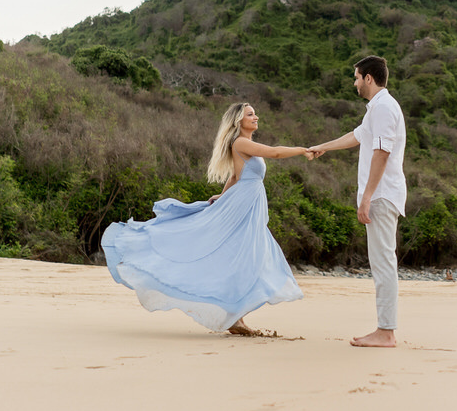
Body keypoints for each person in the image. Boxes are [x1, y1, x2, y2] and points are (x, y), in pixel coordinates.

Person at [101, 103, 309, 335]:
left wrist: (222, 195)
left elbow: (235, 176)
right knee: (241, 255)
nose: (256, 117)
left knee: (246, 257)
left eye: (254, 114)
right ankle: (235, 318)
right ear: (238, 121)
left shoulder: (243, 144)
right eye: (250, 114)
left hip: (247, 203)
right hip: (242, 205)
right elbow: (275, 152)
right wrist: (303, 150)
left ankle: (236, 317)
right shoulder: (241, 142)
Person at [311, 55, 406, 348]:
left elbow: (382, 153)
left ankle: (386, 332)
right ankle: (385, 330)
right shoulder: (376, 108)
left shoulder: (384, 107)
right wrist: (323, 147)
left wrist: (367, 197)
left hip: (381, 195)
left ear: (368, 78)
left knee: (383, 262)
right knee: (382, 262)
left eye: (356, 78)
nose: (354, 83)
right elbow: (357, 136)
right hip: (380, 194)